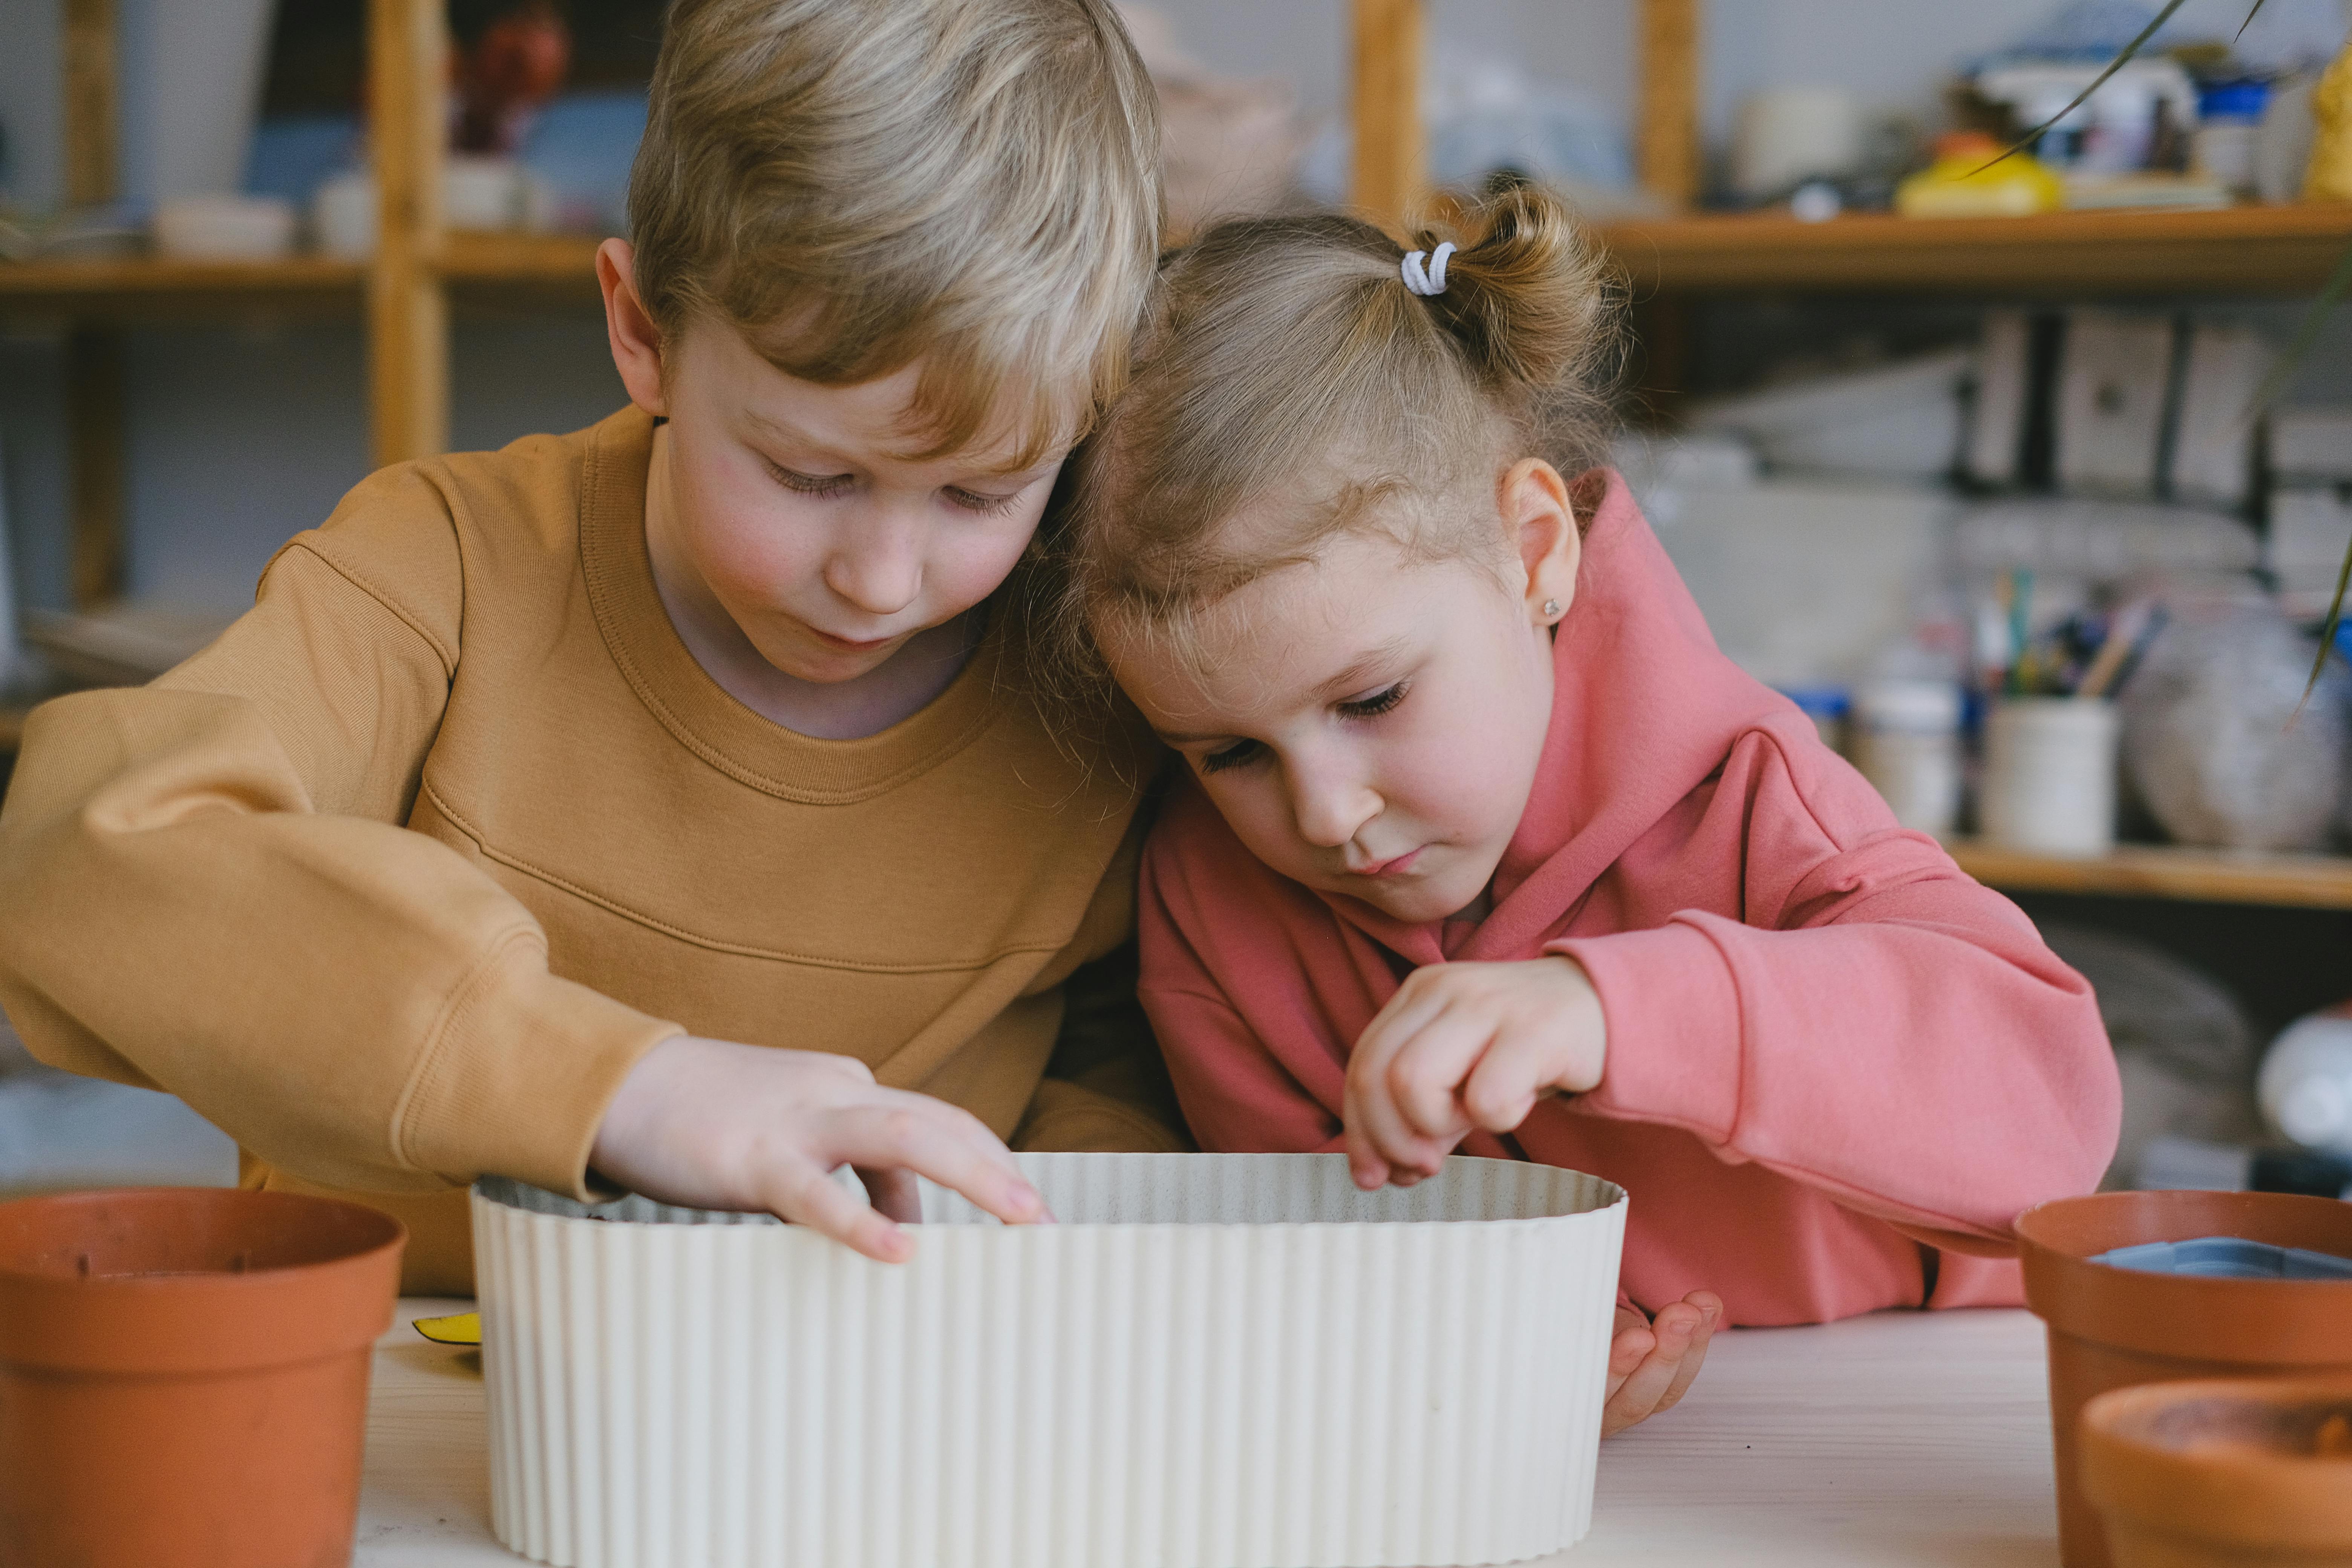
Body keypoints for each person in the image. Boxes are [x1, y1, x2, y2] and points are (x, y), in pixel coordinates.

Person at [0, 0, 1175, 1295]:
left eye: (979, 495)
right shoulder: (449, 569)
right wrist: (624, 1087)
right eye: (809, 473)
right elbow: (82, 861)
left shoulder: (1088, 660)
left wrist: (1047, 1240)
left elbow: (1128, 1057)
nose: (882, 581)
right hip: (415, 1389)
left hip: (869, 1408)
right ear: (644, 332)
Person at [1044, 188, 2121, 1434]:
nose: (1327, 812)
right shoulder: (1207, 895)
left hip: (1913, 1411)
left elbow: (2054, 1122)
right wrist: (1511, 1336)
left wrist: (1614, 1006)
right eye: (1228, 752)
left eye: (1375, 697)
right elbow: (1323, 1254)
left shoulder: (1753, 791)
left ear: (1536, 550)